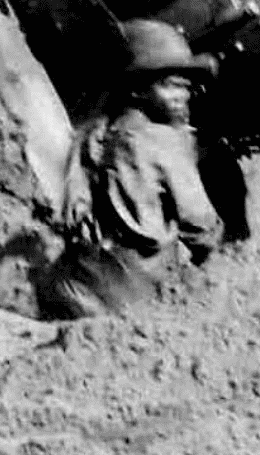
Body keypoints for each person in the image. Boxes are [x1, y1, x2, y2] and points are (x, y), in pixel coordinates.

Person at [38, 18, 224, 319]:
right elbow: (201, 228)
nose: (181, 97)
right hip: (136, 292)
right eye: (169, 86)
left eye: (186, 87)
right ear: (137, 90)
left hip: (76, 281)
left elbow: (73, 209)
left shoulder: (93, 132)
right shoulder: (165, 141)